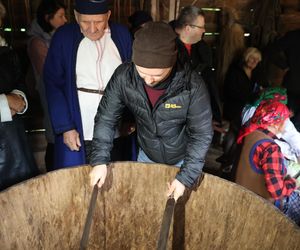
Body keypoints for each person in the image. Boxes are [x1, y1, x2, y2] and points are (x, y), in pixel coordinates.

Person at [89, 22, 213, 201]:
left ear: (171, 62)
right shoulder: (124, 77)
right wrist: (100, 160)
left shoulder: (191, 86)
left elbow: (201, 134)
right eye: (142, 72)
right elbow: (106, 118)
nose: (149, 80)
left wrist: (185, 177)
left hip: (183, 159)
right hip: (146, 155)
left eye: (157, 74)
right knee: (146, 203)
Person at [43, 0, 132, 169]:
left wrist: (129, 118)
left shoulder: (121, 35)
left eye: (99, 21)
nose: (92, 28)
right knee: (79, 179)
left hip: (115, 123)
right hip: (78, 124)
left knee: (115, 175)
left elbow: (131, 78)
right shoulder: (64, 37)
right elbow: (53, 83)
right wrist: (65, 127)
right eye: (85, 21)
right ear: (76, 17)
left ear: (108, 15)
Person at [235, 101, 300, 225]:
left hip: (242, 193)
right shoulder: (271, 148)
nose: (286, 125)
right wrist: (292, 183)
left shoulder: (252, 134)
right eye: (285, 121)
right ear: (275, 124)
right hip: (262, 205)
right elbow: (276, 192)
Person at [0, 1, 39, 190]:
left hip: (14, 141)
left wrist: (20, 99)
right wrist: (5, 102)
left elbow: (19, 80)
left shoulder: (6, 50)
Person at [27, 0, 67, 171]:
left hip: (58, 89)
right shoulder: (37, 42)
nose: (64, 20)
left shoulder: (53, 37)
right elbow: (48, 73)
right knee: (53, 132)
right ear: (47, 18)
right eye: (60, 16)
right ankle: (52, 170)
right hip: (48, 91)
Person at [174, 6, 223, 132]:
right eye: (201, 27)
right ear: (188, 28)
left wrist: (210, 115)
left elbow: (207, 83)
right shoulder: (168, 48)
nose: (204, 30)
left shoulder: (202, 49)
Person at [217, 47, 263, 174]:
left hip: (246, 108)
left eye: (257, 61)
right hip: (234, 107)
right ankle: (227, 159)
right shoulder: (235, 71)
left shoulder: (255, 73)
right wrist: (251, 96)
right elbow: (229, 91)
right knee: (235, 132)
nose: (254, 62)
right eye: (252, 59)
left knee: (235, 133)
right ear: (246, 57)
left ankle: (227, 159)